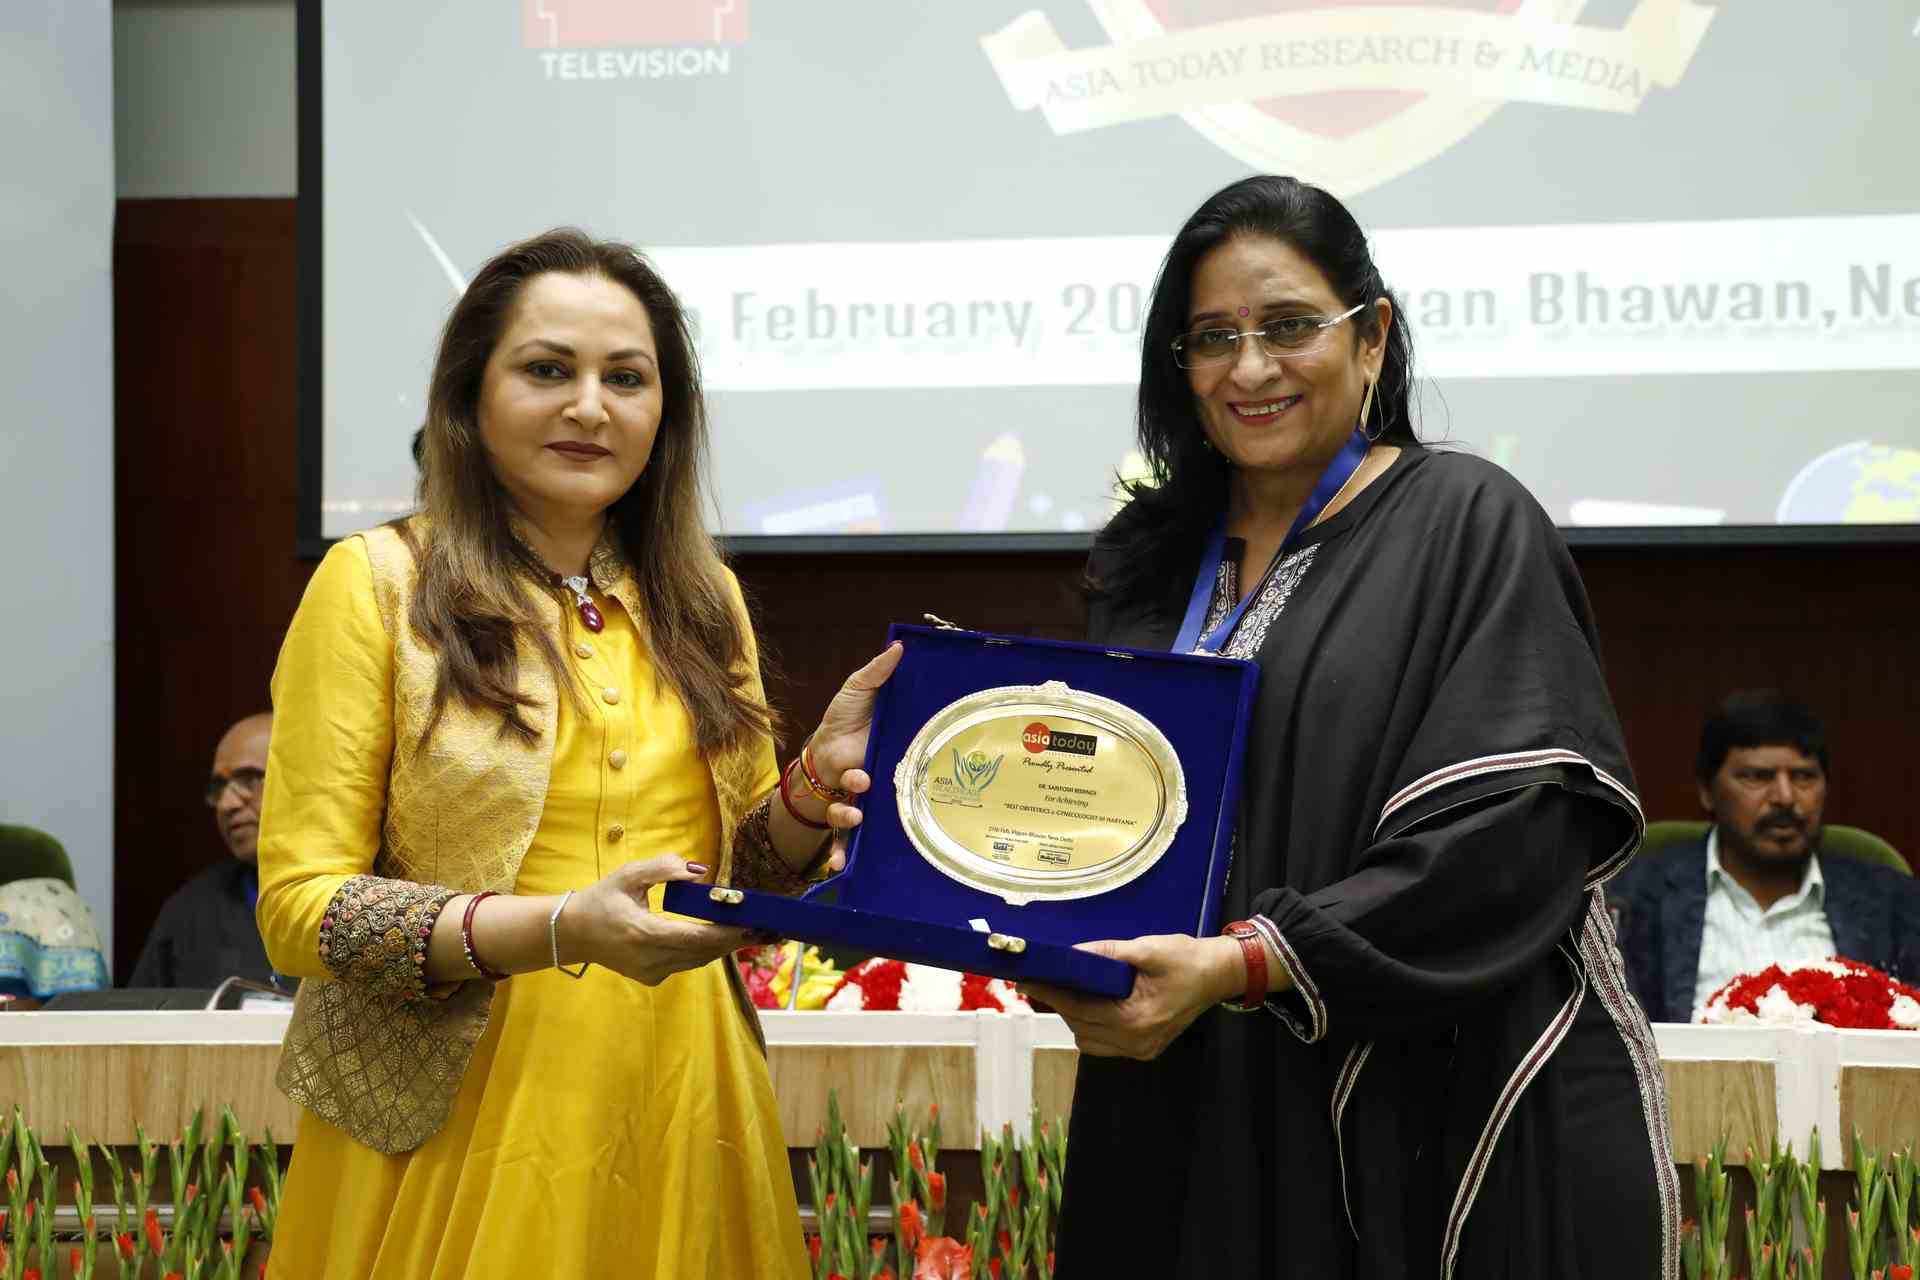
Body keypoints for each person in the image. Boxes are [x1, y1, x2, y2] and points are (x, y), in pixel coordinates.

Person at [1027, 176, 1676, 1278]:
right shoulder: (1146, 558)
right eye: (1213, 338)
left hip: (1404, 1097)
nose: (1250, 369)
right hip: (1176, 1076)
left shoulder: (1466, 521)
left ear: (1370, 337)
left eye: (1289, 327)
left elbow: (1511, 838)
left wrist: (1249, 961)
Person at [254, 228, 897, 1279]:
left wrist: (814, 784)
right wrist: (558, 927)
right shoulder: (375, 584)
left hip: (682, 1084)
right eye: (548, 370)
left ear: (665, 415)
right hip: (458, 1102)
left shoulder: (702, 599)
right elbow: (300, 909)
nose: (591, 406)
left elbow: (742, 879)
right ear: (470, 397)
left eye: (626, 378)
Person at [1608, 690, 1920, 1023]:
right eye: (1757, 777)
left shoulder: (1894, 903)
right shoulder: (1634, 899)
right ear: (1706, 791)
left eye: (1803, 777)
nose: (1784, 797)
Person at [129, 713, 278, 989]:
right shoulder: (191, 909)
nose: (226, 804)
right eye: (218, 787)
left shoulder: (354, 893)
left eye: (249, 779)